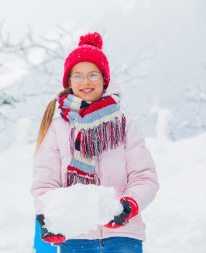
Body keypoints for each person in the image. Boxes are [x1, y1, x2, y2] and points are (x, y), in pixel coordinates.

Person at [31, 32, 159, 253]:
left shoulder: (124, 124)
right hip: (75, 237)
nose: (86, 82)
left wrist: (128, 205)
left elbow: (144, 177)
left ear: (104, 79)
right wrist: (49, 215)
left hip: (122, 236)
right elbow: (45, 184)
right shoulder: (56, 128)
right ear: (69, 81)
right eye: (78, 76)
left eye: (93, 74)